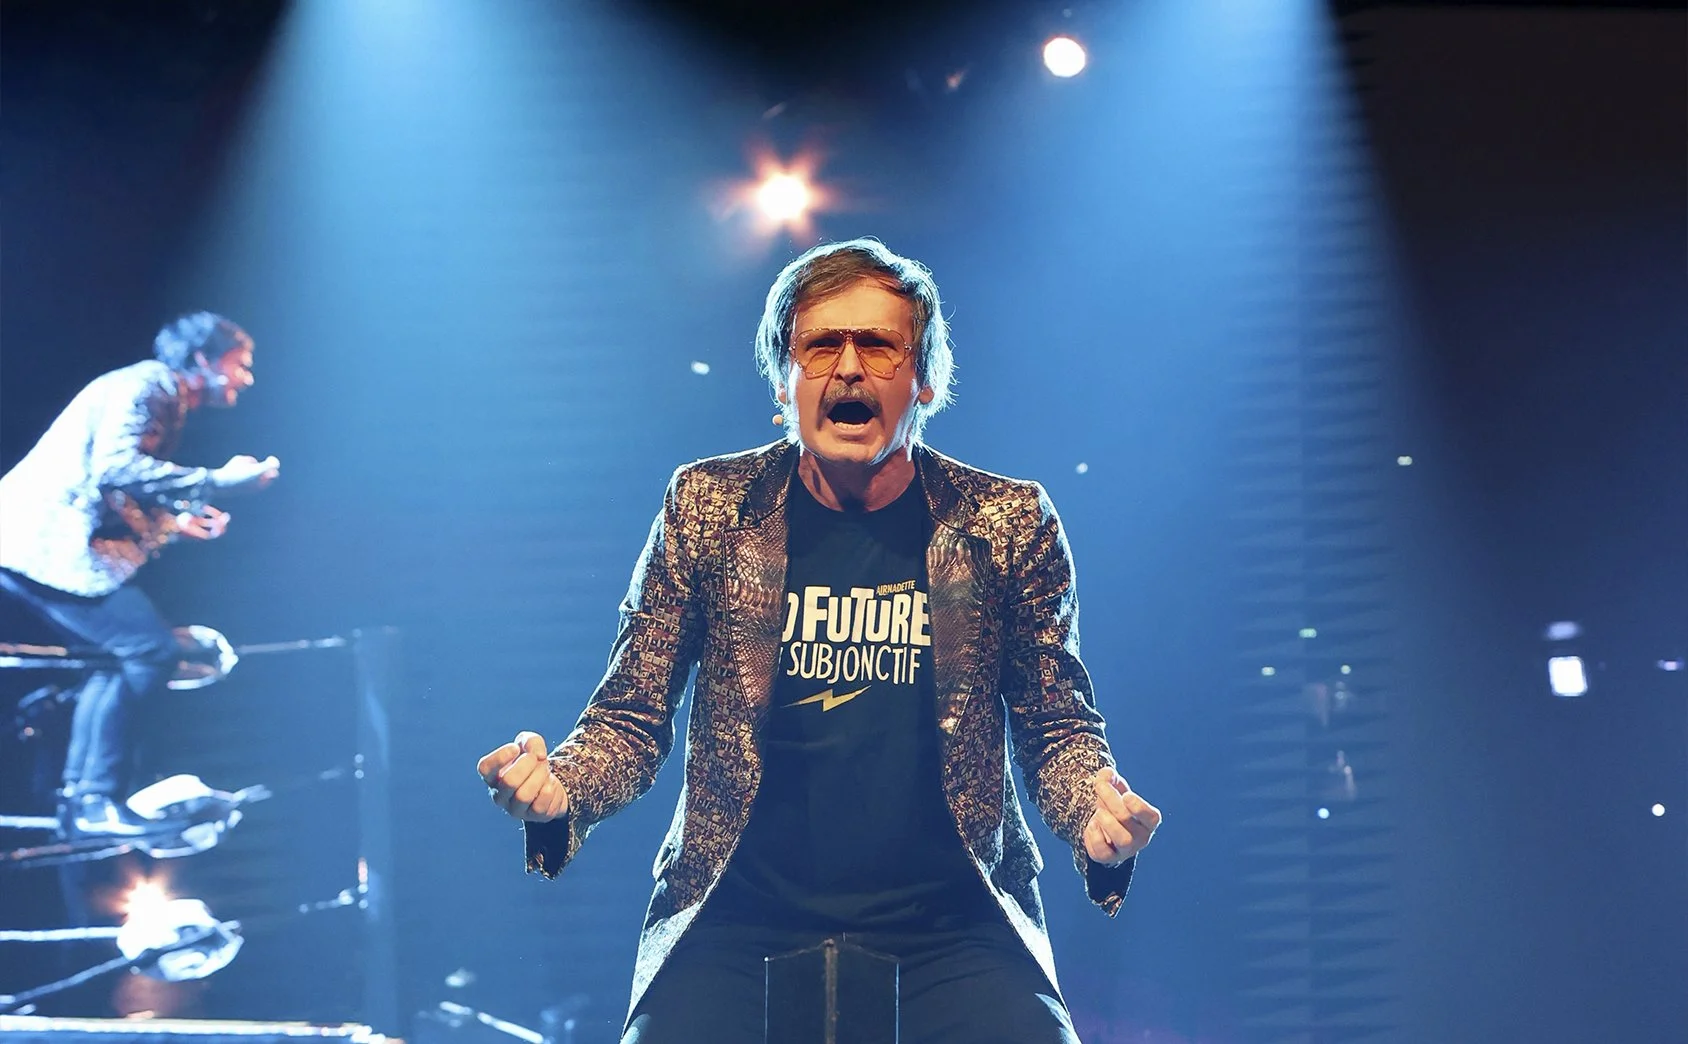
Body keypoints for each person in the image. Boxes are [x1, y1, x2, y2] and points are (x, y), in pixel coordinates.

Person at [477, 240, 1161, 1043]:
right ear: (784, 380)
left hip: (953, 926)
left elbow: (1056, 726)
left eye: (879, 345)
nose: (849, 369)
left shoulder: (1006, 524)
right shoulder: (708, 508)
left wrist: (1093, 812)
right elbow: (632, 713)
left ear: (924, 379)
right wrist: (562, 787)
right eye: (821, 345)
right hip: (738, 918)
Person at [0, 311, 279, 836]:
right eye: (239, 364)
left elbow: (115, 486)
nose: (246, 378)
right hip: (39, 546)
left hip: (31, 544)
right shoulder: (149, 386)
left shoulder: (157, 393)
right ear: (203, 359)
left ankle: (86, 802)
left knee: (118, 659)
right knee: (149, 649)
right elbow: (114, 467)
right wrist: (218, 480)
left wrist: (174, 523)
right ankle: (92, 799)